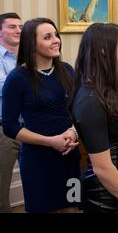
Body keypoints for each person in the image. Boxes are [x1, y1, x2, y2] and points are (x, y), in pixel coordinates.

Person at [2, 18, 80, 213]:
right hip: (38, 161)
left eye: (56, 35)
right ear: (32, 43)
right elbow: (10, 126)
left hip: (69, 156)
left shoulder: (68, 71)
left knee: (72, 208)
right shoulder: (17, 78)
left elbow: (78, 111)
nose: (56, 40)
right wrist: (50, 141)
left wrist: (73, 132)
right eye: (47, 37)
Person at [72, 23, 118, 213]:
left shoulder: (116, 86)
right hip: (105, 198)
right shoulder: (89, 100)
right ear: (104, 51)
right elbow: (103, 168)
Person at [0, 12, 22, 213]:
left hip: (32, 126)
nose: (18, 30)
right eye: (12, 26)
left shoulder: (26, 57)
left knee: (38, 179)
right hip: (4, 131)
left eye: (20, 26)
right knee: (2, 186)